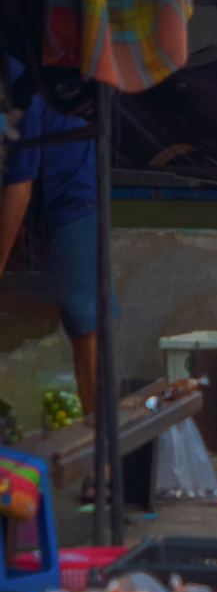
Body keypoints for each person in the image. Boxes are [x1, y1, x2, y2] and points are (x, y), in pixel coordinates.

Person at [1, 58, 102, 417]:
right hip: (29, 178)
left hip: (71, 182)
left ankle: (97, 430)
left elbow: (19, 190)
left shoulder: (14, 79)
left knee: (82, 310)